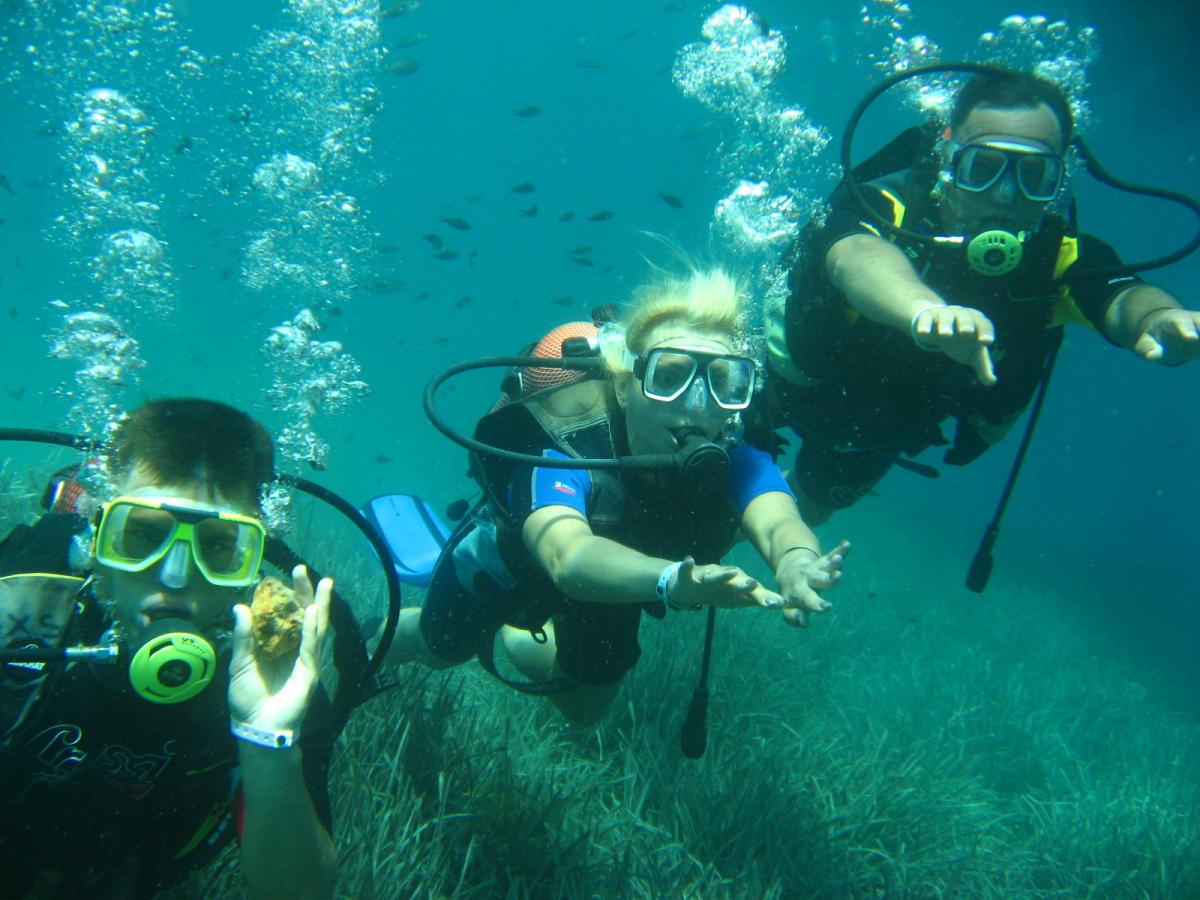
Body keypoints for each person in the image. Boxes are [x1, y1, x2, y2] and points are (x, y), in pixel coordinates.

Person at [386, 268, 850, 725]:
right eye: (670, 377)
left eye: (723, 382)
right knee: (436, 648)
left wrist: (795, 561)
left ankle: (522, 638)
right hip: (505, 568)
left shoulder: (735, 450)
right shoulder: (568, 440)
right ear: (626, 386)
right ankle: (352, 646)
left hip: (618, 583)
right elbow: (567, 555)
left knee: (585, 712)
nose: (698, 403)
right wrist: (672, 579)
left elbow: (777, 520)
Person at [766, 69, 1200, 524]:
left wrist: (1159, 318)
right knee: (707, 472)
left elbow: (1120, 295)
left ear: (1059, 178)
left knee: (811, 507)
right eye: (984, 168)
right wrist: (924, 310)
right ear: (949, 153)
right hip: (779, 382)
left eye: (1035, 175)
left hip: (875, 426)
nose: (1006, 195)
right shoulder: (883, 208)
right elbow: (854, 255)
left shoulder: (1057, 258)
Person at [0, 399, 337, 899]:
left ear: (252, 562)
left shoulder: (276, 681)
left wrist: (268, 745)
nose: (175, 577)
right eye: (141, 535)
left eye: (219, 547)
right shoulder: (20, 613)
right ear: (98, 539)